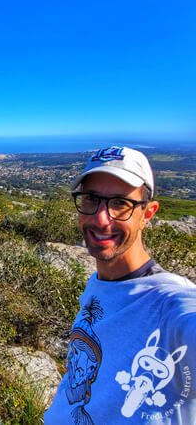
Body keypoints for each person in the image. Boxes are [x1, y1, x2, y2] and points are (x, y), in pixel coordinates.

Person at [45, 146, 195, 424]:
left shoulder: (171, 303)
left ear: (147, 214)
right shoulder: (98, 285)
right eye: (91, 199)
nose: (101, 219)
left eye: (120, 204)